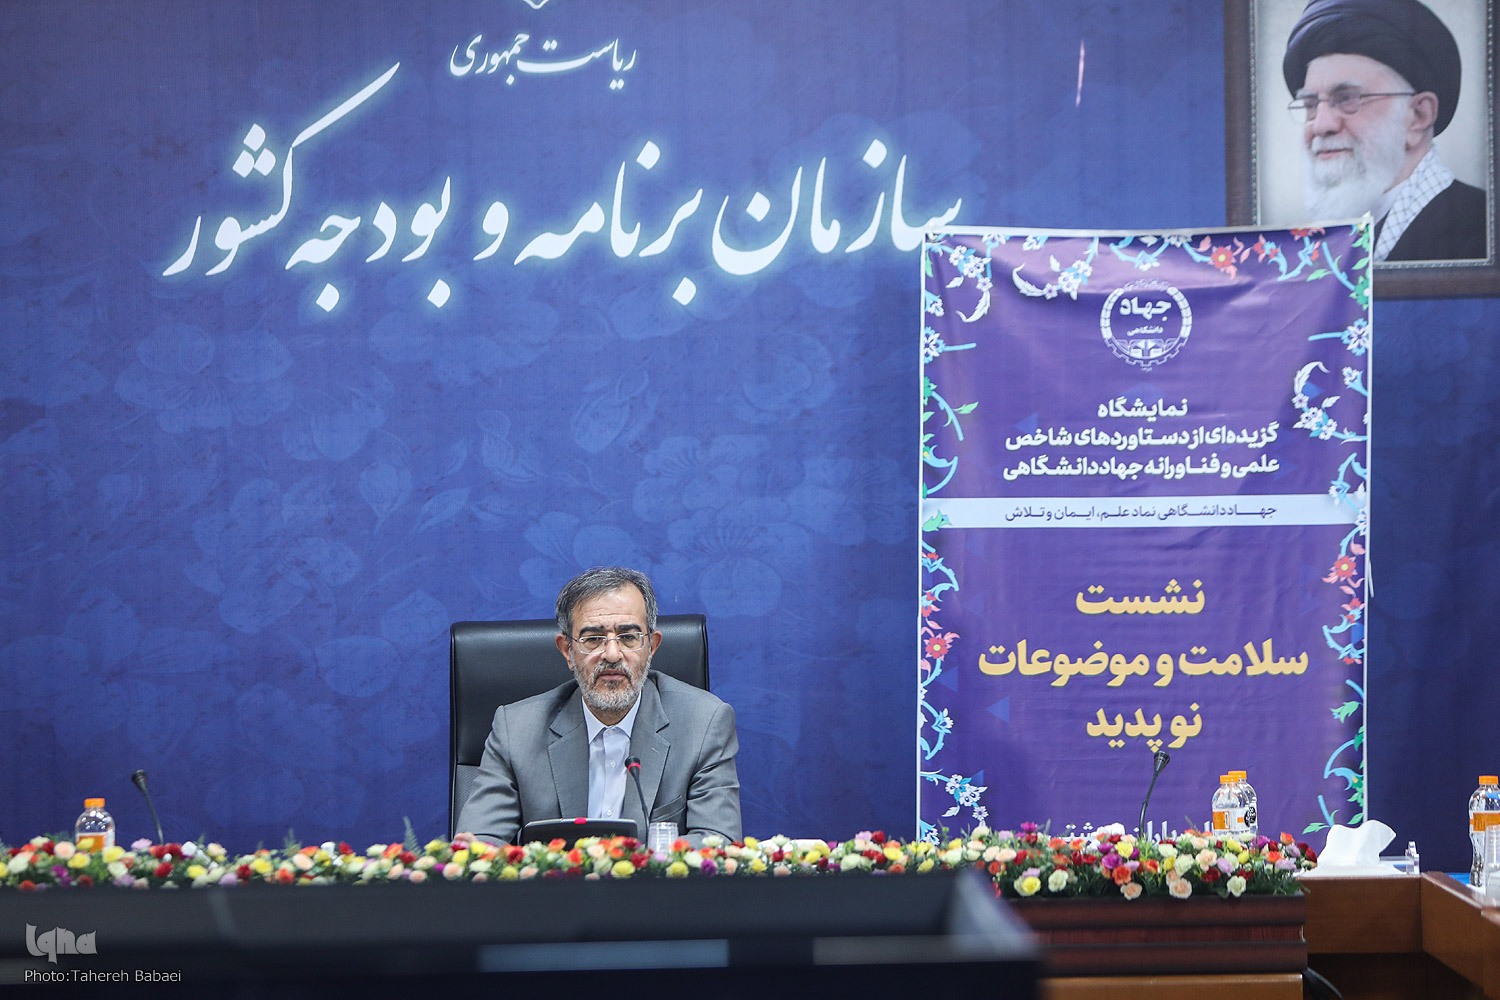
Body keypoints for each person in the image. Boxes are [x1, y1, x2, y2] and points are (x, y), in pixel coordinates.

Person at [456, 566, 742, 845]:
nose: (613, 654)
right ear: (567, 651)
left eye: (628, 637)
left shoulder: (704, 723)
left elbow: (718, 842)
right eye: (593, 639)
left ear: (652, 647)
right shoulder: (516, 730)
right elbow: (477, 845)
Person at [1283, 0, 1487, 262]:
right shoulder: (1328, 243)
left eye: (1347, 98)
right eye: (1311, 104)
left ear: (1418, 116)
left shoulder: (1481, 231)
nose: (1321, 125)